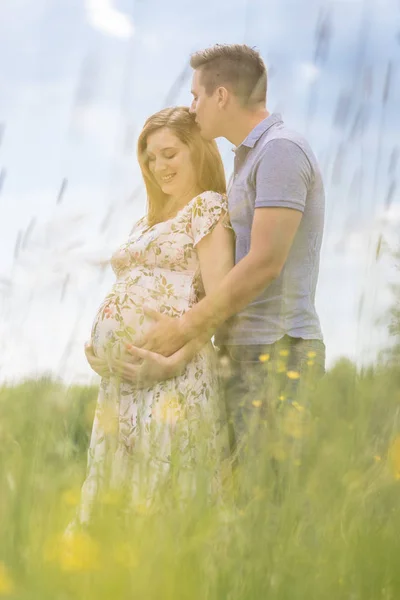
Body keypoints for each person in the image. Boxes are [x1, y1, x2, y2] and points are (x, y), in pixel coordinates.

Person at [122, 44, 326, 462]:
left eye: (196, 96)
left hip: (277, 352)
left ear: (221, 96)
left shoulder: (280, 150)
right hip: (244, 352)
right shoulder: (248, 162)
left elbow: (265, 262)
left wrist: (181, 329)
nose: (192, 107)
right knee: (244, 505)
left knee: (273, 505)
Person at [77, 106, 234, 524]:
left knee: (164, 498)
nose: (158, 166)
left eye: (169, 154)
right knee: (117, 503)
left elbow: (221, 302)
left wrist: (174, 358)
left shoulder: (209, 209)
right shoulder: (144, 222)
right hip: (122, 385)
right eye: (150, 157)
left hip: (172, 376)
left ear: (196, 151)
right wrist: (100, 352)